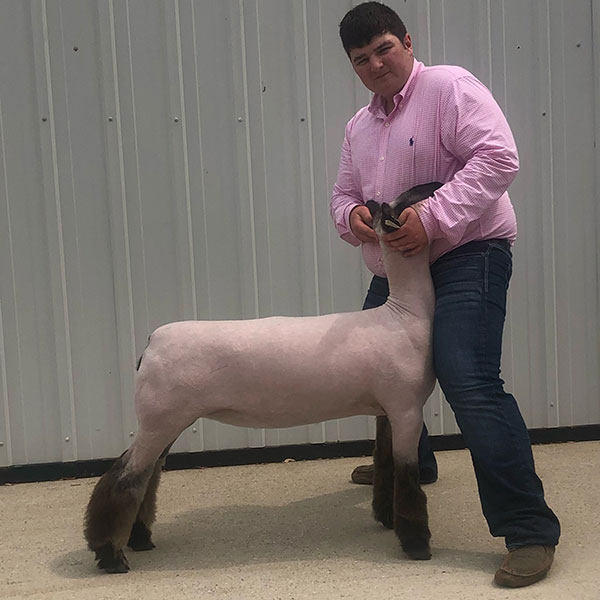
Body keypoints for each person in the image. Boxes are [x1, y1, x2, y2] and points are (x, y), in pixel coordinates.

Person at [331, 1, 560, 588]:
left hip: (467, 252)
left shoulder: (449, 87)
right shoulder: (360, 127)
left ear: (407, 42)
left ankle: (528, 529)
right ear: (354, 68)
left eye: (384, 49)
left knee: (467, 378)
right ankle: (412, 463)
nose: (376, 64)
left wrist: (431, 218)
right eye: (362, 59)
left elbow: (498, 157)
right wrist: (353, 215)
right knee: (376, 373)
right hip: (399, 265)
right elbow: (342, 196)